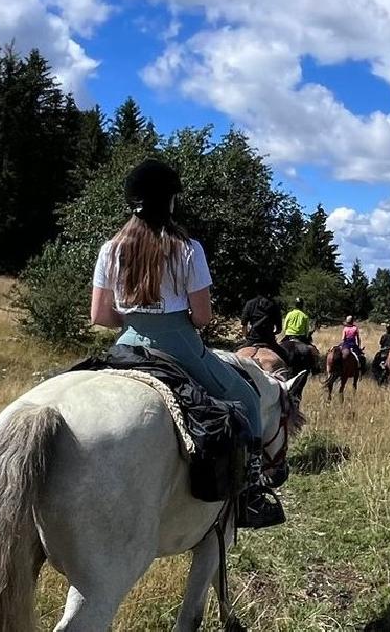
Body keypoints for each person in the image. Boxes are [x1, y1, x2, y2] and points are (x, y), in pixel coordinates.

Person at [90, 158, 282, 528]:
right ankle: (251, 492)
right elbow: (202, 316)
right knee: (244, 398)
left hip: (127, 343)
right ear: (171, 202)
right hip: (177, 342)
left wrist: (133, 321)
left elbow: (100, 315)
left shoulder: (110, 249)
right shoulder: (188, 248)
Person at [240, 292, 289, 364]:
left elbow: (244, 324)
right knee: (286, 357)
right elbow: (279, 329)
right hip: (269, 340)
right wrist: (274, 333)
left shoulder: (250, 303)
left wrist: (246, 335)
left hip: (253, 338)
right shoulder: (274, 305)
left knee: (234, 356)